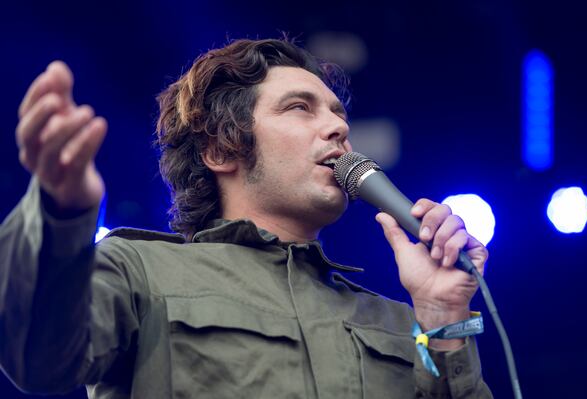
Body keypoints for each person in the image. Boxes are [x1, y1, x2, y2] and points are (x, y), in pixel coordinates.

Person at [0, 39, 492, 398]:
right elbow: (40, 359)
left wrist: (443, 317)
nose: (339, 127)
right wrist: (58, 214)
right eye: (300, 108)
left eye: (338, 113)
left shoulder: (399, 322)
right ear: (220, 148)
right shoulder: (138, 272)